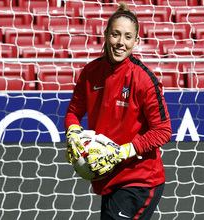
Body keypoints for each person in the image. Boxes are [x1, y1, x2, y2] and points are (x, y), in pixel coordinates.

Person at [64, 2, 172, 219]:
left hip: (139, 180)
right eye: (115, 34)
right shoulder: (91, 72)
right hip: (107, 177)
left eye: (128, 37)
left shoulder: (144, 79)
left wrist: (123, 152)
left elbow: (163, 130)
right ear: (105, 35)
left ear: (136, 41)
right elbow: (74, 111)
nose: (120, 42)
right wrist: (73, 132)